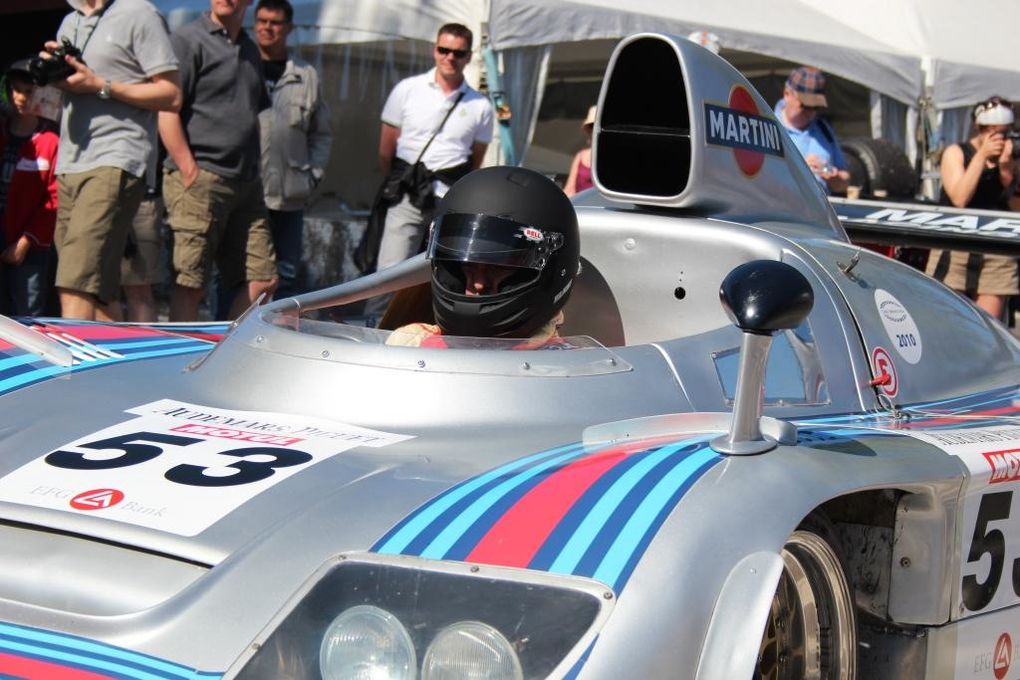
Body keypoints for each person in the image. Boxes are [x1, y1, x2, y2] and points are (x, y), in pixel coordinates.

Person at [47, 0, 181, 320]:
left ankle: (73, 372)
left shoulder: (139, 13)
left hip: (116, 157)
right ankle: (113, 369)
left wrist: (100, 85)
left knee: (74, 282)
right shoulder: (70, 21)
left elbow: (171, 95)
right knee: (99, 290)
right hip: (70, 160)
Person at [364, 22, 494, 318]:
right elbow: (386, 151)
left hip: (449, 201)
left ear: (468, 56)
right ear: (435, 50)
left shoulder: (480, 105)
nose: (450, 57)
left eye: (458, 53)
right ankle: (372, 330)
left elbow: (475, 162)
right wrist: (402, 181)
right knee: (389, 272)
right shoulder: (407, 90)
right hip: (408, 194)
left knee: (445, 273)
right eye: (444, 50)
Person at [160, 0, 278, 321]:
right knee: (191, 283)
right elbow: (166, 109)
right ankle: (180, 365)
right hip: (201, 177)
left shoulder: (251, 49)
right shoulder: (188, 39)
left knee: (264, 281)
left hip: (246, 183)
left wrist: (256, 168)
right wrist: (188, 169)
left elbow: (251, 115)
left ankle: (222, 355)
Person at [388, 166, 580, 348]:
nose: (478, 284)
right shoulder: (409, 344)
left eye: (498, 267)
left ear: (554, 270)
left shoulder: (570, 371)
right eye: (467, 264)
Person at [254, 0, 332, 301]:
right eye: (262, 21)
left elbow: (322, 133)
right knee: (243, 276)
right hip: (248, 193)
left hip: (290, 196)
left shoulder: (306, 75)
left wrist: (312, 175)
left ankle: (276, 341)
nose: (267, 28)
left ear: (288, 28)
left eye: (275, 23)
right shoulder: (241, 64)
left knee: (285, 279)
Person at [927, 96, 1019, 320]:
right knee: (949, 320)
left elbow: (1016, 209)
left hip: (996, 248)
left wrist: (1007, 173)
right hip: (955, 243)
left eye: (1004, 132)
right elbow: (959, 198)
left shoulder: (1013, 158)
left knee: (988, 327)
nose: (998, 137)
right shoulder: (956, 153)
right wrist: (981, 157)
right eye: (992, 131)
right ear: (979, 128)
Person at [0, 58, 59, 316]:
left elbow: (52, 201)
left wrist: (25, 242)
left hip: (30, 248)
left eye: (28, 91)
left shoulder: (50, 142)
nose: (21, 98)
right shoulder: (1, 133)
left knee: (26, 319)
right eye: (16, 90)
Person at [775, 66, 850, 195]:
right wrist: (800, 168)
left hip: (822, 211)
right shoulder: (767, 127)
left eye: (815, 106)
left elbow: (844, 182)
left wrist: (832, 175)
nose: (810, 112)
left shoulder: (824, 129)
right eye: (805, 105)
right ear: (787, 94)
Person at [564, 105, 595, 196]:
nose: (595, 129)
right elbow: (569, 189)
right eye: (592, 126)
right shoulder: (581, 156)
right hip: (581, 207)